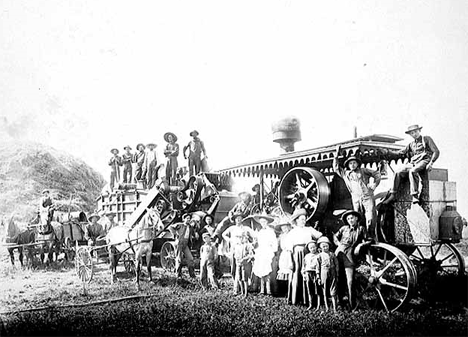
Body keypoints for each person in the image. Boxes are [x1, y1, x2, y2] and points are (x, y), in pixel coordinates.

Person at [333, 145, 381, 239]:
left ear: (357, 164)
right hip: (355, 198)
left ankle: (371, 236)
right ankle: (359, 237)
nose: (352, 165)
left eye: (354, 163)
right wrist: (336, 156)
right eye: (350, 164)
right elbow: (336, 168)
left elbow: (377, 174)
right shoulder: (346, 174)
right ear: (348, 165)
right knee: (357, 218)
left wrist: (375, 184)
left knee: (370, 217)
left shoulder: (363, 171)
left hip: (367, 197)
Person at [384, 124, 440, 204]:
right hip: (413, 162)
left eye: (416, 132)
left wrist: (431, 163)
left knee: (413, 171)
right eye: (412, 133)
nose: (414, 134)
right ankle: (393, 194)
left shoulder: (426, 139)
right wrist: (388, 152)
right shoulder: (411, 144)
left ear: (419, 131)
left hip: (424, 160)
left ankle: (414, 195)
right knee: (397, 172)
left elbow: (436, 151)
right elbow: (400, 152)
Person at [284, 208, 323, 305]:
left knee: (308, 273)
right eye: (301, 219)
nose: (304, 221)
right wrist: (290, 261)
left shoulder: (308, 229)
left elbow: (319, 235)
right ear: (297, 220)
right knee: (297, 273)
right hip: (297, 254)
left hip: (308, 253)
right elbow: (289, 247)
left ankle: (308, 299)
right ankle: (296, 299)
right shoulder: (293, 232)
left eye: (305, 219)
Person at [333, 210, 368, 310]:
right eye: (348, 219)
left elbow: (369, 240)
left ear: (356, 218)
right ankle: (340, 303)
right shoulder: (344, 228)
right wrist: (338, 244)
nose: (350, 220)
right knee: (339, 278)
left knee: (350, 280)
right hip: (339, 253)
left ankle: (352, 305)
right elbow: (335, 236)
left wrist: (361, 244)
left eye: (352, 218)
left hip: (349, 255)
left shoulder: (361, 229)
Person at [222, 213, 255, 291]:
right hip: (234, 248)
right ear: (234, 220)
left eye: (240, 218)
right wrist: (229, 240)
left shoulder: (246, 228)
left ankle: (244, 286)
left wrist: (251, 243)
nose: (238, 220)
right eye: (237, 219)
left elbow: (254, 235)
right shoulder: (232, 228)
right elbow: (223, 234)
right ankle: (236, 285)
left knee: (243, 268)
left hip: (243, 249)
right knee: (234, 267)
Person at [252, 214, 278, 295]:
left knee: (268, 271)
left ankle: (269, 290)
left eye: (264, 222)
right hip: (261, 252)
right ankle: (262, 290)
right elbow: (258, 242)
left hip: (268, 252)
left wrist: (273, 250)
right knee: (261, 270)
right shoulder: (260, 232)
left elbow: (275, 243)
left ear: (267, 222)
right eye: (261, 222)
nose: (263, 223)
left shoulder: (271, 231)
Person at [168, 213, 197, 278]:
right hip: (179, 243)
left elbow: (193, 233)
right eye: (187, 218)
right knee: (179, 259)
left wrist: (195, 234)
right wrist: (175, 234)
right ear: (184, 219)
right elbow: (170, 227)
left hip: (186, 244)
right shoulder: (180, 225)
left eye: (189, 218)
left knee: (190, 259)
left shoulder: (190, 227)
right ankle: (178, 274)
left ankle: (192, 275)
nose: (188, 220)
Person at [316, 236, 339, 312]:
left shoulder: (332, 254)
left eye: (327, 246)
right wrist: (318, 277)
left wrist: (337, 273)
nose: (325, 248)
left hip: (332, 272)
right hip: (323, 272)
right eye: (323, 246)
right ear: (320, 247)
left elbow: (336, 264)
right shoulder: (319, 256)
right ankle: (327, 308)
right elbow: (317, 267)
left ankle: (335, 308)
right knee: (324, 290)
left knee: (333, 290)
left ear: (329, 246)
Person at [233, 231, 255, 297]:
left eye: (242, 238)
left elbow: (251, 255)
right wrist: (237, 258)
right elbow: (235, 254)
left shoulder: (248, 245)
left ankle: (246, 293)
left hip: (245, 264)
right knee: (239, 278)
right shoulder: (237, 246)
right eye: (239, 238)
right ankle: (242, 292)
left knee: (244, 278)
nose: (240, 239)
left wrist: (244, 259)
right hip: (238, 263)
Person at [302, 240, 320, 311]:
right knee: (309, 289)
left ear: (316, 247)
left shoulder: (318, 255)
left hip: (315, 273)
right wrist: (303, 274)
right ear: (309, 249)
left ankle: (318, 305)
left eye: (314, 247)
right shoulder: (307, 256)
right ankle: (311, 304)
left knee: (317, 289)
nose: (313, 249)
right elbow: (303, 266)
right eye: (311, 248)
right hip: (308, 272)